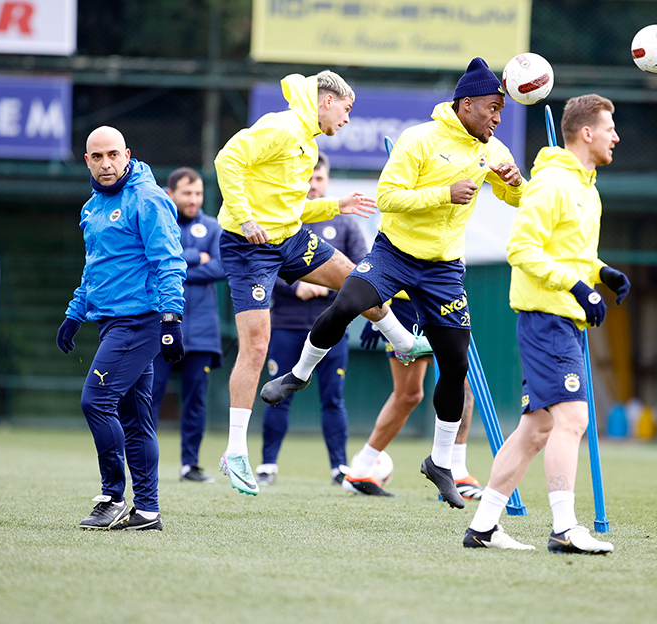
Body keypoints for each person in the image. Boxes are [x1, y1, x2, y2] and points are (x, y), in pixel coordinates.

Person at [263, 57, 523, 509]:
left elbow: (517, 198)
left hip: (444, 269)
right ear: (466, 105)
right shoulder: (419, 138)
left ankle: (441, 463)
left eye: (502, 111)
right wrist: (445, 192)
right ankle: (299, 375)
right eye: (492, 109)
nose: (498, 118)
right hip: (394, 255)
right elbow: (387, 197)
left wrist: (517, 184)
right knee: (346, 302)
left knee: (454, 365)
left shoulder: (494, 150)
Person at [215, 70, 430, 497]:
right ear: (326, 101)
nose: (347, 120)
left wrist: (338, 204)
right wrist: (245, 216)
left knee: (357, 279)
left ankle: (402, 340)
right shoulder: (281, 126)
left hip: (288, 239)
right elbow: (227, 160)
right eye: (347, 110)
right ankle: (235, 450)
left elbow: (290, 209)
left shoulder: (308, 141)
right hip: (249, 246)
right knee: (256, 345)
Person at [462, 94, 628, 553]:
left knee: (536, 428)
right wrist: (577, 287)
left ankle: (484, 526)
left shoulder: (587, 187)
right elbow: (522, 248)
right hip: (547, 318)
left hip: (562, 319)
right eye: (609, 127)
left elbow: (571, 254)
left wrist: (599, 274)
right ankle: (564, 527)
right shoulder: (552, 182)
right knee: (573, 419)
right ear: (587, 133)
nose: (616, 135)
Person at [57, 126, 186, 532]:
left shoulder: (149, 199)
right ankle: (147, 511)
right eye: (97, 157)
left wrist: (171, 318)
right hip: (112, 320)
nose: (106, 163)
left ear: (127, 154)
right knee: (134, 418)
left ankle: (112, 498)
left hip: (140, 321)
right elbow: (95, 267)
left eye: (113, 154)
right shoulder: (93, 206)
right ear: (87, 161)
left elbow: (169, 261)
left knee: (96, 401)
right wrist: (75, 312)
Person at [256, 153, 367, 486]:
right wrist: (297, 287)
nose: (313, 185)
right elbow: (263, 269)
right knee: (278, 395)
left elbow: (362, 270)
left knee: (333, 398)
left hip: (332, 326)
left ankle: (339, 468)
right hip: (287, 325)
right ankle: (268, 465)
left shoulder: (346, 224)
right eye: (307, 178)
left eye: (318, 179)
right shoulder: (282, 220)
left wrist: (330, 287)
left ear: (327, 180)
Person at [347, 300, 483, 499]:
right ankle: (456, 471)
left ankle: (360, 470)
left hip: (438, 303)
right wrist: (376, 307)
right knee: (457, 377)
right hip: (408, 306)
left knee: (409, 394)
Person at [149, 167, 225, 484]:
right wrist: (196, 256)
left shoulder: (213, 227)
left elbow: (221, 267)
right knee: (147, 397)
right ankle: (142, 464)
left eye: (198, 194)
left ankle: (189, 465)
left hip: (202, 332)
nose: (193, 200)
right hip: (159, 329)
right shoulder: (157, 225)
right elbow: (152, 268)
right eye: (187, 194)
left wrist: (175, 266)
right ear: (171, 194)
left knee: (195, 401)